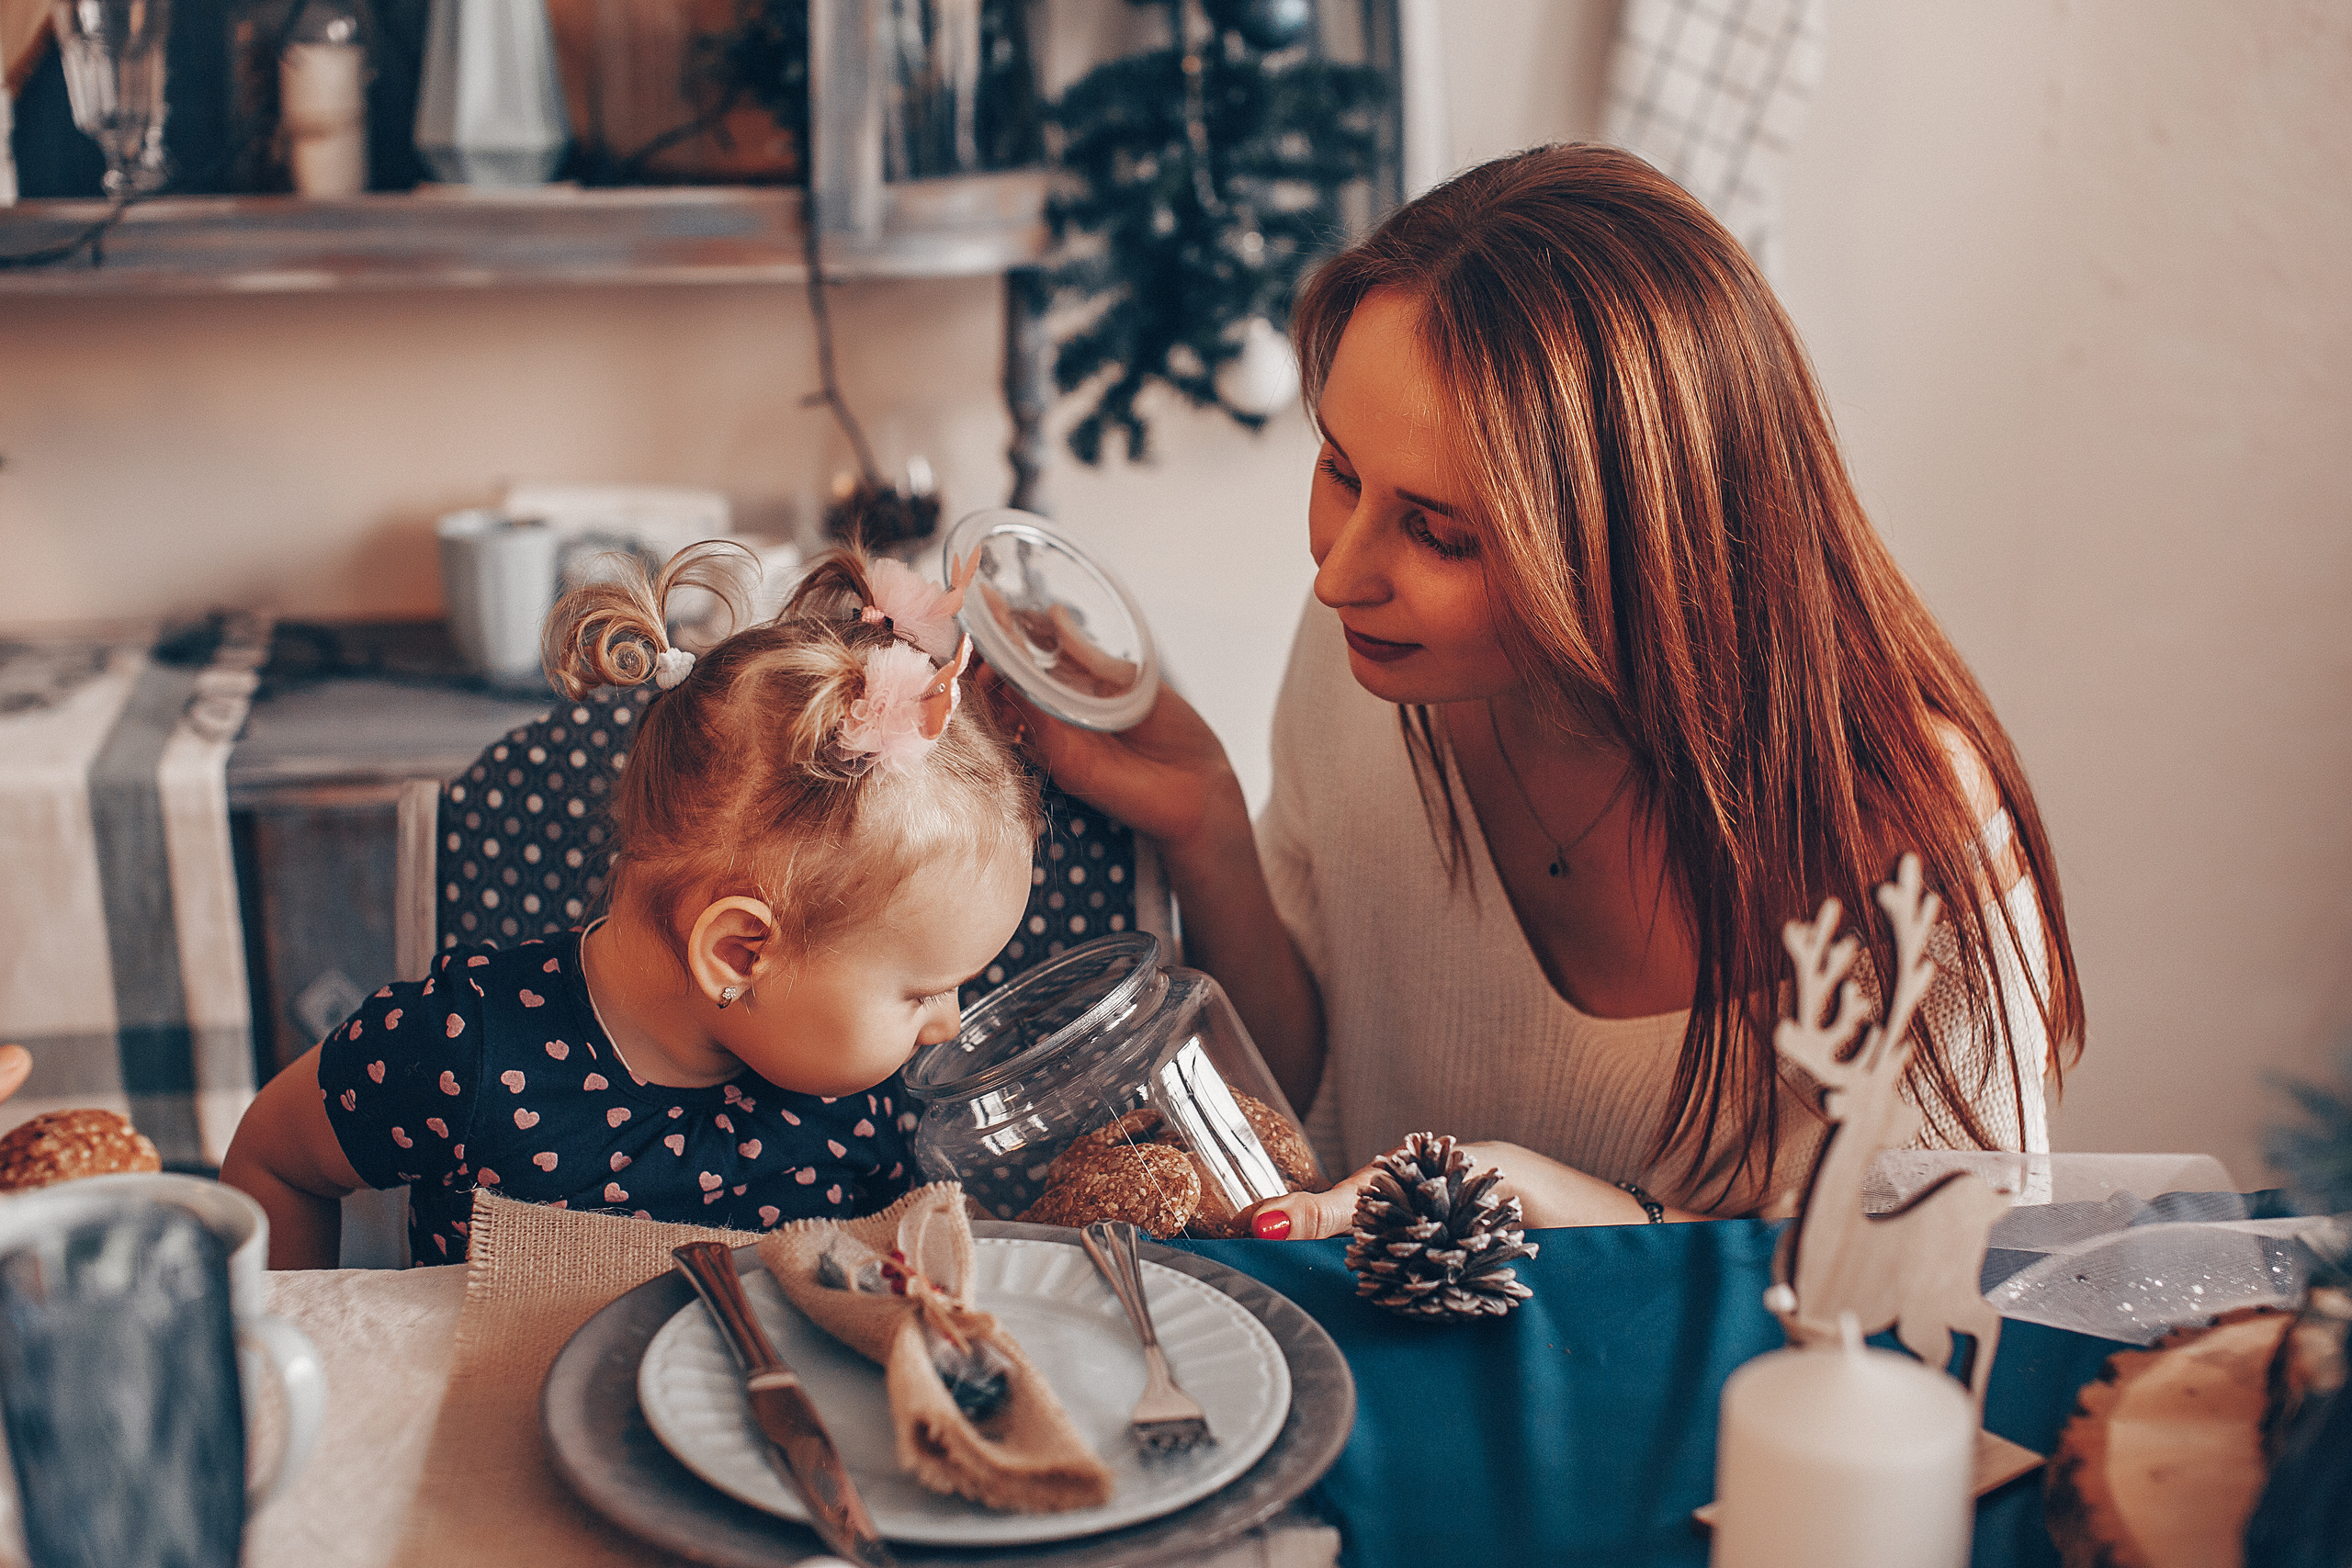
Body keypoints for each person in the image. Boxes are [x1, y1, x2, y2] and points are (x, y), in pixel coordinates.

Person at [995, 143, 2085, 1237]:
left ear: (1647, 549)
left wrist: (1611, 1223)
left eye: (1441, 533)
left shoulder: (1912, 848)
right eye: (1337, 470)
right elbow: (1294, 1100)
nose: (1336, 574)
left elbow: (1937, 1305)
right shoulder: (1359, 663)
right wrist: (1211, 831)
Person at [221, 546, 1039, 1267]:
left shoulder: (858, 1084)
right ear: (740, 954)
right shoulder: (463, 1052)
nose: (948, 1024)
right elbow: (275, 1160)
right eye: (922, 989)